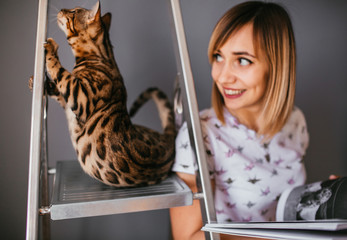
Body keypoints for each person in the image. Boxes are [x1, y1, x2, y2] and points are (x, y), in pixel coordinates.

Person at [170, 1, 309, 239]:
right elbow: (187, 237)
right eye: (218, 56)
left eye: (243, 60)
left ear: (277, 67)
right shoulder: (199, 135)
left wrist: (326, 200)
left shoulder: (294, 121)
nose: (222, 76)